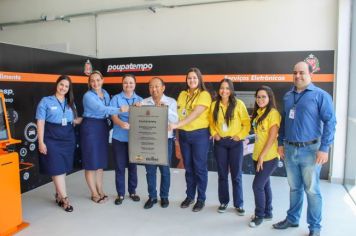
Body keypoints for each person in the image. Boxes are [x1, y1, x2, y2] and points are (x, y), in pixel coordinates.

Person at [273, 61, 336, 236]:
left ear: (310, 75)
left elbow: (330, 122)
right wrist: (280, 143)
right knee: (294, 187)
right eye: (295, 73)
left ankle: (315, 228)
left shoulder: (320, 95)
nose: (298, 76)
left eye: (302, 72)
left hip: (311, 151)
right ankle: (292, 218)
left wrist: (324, 148)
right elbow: (284, 121)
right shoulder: (288, 96)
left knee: (312, 190)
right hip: (290, 149)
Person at [36, 75, 82, 212]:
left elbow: (73, 121)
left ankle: (58, 195)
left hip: (67, 138)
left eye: (66, 86)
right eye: (61, 84)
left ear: (69, 89)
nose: (63, 88)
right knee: (57, 168)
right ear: (57, 84)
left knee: (62, 168)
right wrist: (41, 142)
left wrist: (86, 119)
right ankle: (65, 198)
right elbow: (40, 122)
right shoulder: (46, 101)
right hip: (51, 138)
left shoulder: (70, 103)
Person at [169, 67, 212, 212]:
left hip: (200, 135)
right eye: (189, 78)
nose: (191, 80)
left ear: (199, 79)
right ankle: (189, 196)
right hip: (184, 136)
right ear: (186, 80)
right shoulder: (182, 94)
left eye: (194, 78)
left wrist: (177, 125)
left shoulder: (204, 95)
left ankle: (201, 199)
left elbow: (194, 114)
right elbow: (176, 113)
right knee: (188, 168)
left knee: (199, 168)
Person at [209, 78, 250, 215]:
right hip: (220, 143)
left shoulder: (239, 104)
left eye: (227, 88)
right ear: (219, 90)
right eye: (222, 88)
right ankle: (223, 202)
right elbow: (210, 122)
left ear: (231, 90)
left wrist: (240, 135)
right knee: (222, 174)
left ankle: (239, 204)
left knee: (236, 175)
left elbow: (246, 123)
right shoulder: (214, 105)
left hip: (235, 143)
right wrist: (214, 134)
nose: (224, 91)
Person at [81, 70, 121, 204]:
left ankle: (101, 190)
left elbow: (109, 109)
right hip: (91, 128)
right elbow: (102, 110)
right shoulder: (88, 96)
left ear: (102, 80)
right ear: (89, 83)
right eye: (92, 81)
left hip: (102, 127)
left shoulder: (105, 93)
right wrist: (122, 109)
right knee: (91, 162)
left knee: (100, 163)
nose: (95, 83)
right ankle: (93, 193)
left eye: (98, 80)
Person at [139, 77, 178, 209]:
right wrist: (137, 109)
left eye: (156, 86)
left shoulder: (171, 102)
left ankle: (164, 197)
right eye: (151, 86)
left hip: (165, 141)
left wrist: (165, 109)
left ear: (163, 88)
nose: (154, 89)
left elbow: (175, 120)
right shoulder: (144, 102)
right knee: (150, 171)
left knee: (165, 171)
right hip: (149, 141)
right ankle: (152, 197)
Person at [249, 85, 281, 227]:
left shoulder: (273, 113)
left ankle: (259, 215)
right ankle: (268, 212)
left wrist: (262, 156)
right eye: (258, 97)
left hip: (269, 157)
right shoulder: (259, 112)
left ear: (269, 98)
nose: (260, 99)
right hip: (257, 155)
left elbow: (272, 137)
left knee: (257, 186)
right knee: (265, 184)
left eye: (263, 96)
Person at [110, 74, 143, 205]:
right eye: (125, 83)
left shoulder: (140, 99)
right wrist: (120, 123)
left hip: (134, 139)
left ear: (135, 84)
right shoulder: (116, 99)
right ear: (122, 84)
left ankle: (133, 191)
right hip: (119, 137)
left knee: (133, 166)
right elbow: (113, 116)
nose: (128, 85)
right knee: (119, 167)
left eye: (131, 83)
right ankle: (121, 194)